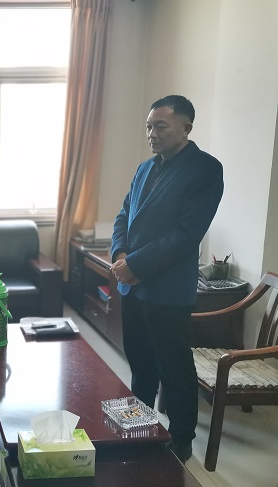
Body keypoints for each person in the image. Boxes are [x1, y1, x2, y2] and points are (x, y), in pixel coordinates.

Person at [110, 95, 224, 463]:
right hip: (133, 285)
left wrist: (135, 264)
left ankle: (181, 437)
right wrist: (120, 255)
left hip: (167, 289)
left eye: (160, 126)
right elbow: (123, 215)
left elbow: (186, 235)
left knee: (174, 368)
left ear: (186, 127)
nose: (152, 134)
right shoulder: (145, 168)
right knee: (140, 363)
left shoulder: (205, 169)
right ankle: (139, 424)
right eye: (148, 127)